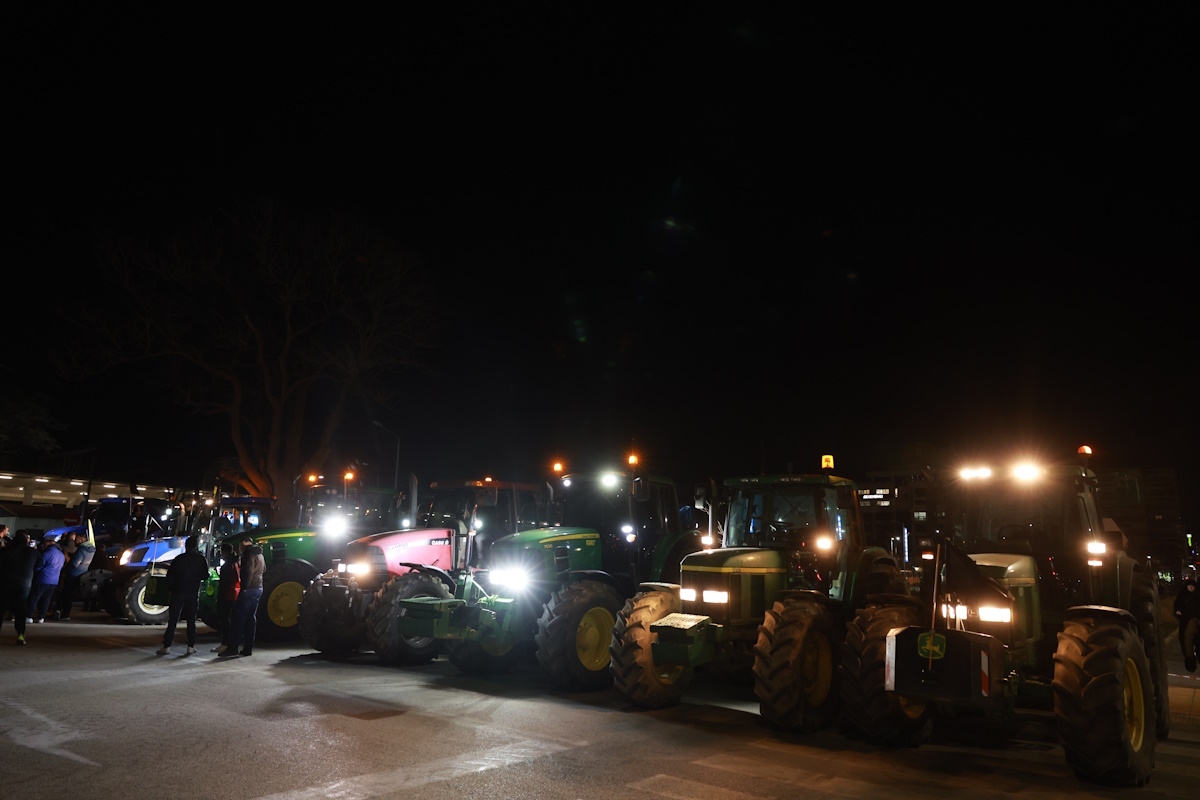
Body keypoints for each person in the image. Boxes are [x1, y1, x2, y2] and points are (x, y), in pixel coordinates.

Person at [157, 535, 210, 656]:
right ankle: (190, 646)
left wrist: (171, 588)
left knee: (173, 620)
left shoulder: (178, 559)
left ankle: (167, 646)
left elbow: (169, 577)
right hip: (192, 593)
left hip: (178, 592)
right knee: (191, 621)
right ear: (196, 546)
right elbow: (205, 576)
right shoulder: (201, 559)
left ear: (186, 546)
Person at [222, 537, 264, 658]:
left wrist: (244, 588)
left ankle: (233, 648)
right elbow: (263, 570)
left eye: (240, 546)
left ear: (244, 545)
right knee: (251, 618)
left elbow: (248, 572)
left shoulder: (248, 555)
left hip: (249, 590)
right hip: (259, 588)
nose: (239, 549)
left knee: (238, 620)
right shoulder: (260, 554)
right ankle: (248, 648)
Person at [0, 532, 39, 644]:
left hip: (5, 584)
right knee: (20, 610)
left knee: (1, 609)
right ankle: (20, 634)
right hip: (24, 584)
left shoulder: (5, 551)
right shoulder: (33, 552)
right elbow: (38, 565)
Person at [56, 531, 95, 620]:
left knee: (67, 594)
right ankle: (62, 612)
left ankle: (65, 614)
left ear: (82, 539)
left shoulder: (82, 550)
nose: (74, 541)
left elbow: (74, 563)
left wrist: (66, 568)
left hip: (72, 574)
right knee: (69, 594)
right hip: (81, 573)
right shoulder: (91, 550)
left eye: (76, 539)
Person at [211, 541, 241, 654]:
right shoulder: (237, 562)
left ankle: (225, 643)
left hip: (227, 595)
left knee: (225, 620)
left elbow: (225, 582)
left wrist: (220, 598)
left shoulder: (227, 565)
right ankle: (230, 643)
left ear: (224, 552)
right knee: (231, 620)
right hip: (235, 594)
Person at [28, 537, 66, 623]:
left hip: (42, 578)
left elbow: (39, 566)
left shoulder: (46, 553)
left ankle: (29, 616)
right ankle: (41, 617)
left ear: (48, 545)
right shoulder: (61, 555)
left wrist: (34, 570)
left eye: (45, 545)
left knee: (34, 598)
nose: (44, 546)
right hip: (54, 580)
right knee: (46, 599)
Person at [1175, 576, 1200, 672]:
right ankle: (1190, 660)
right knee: (1187, 639)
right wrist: (1178, 612)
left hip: (1194, 621)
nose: (1191, 588)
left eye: (1192, 587)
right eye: (1189, 586)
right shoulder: (1182, 596)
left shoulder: (1197, 597)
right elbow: (1177, 606)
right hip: (1187, 622)